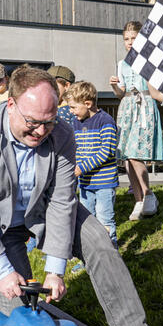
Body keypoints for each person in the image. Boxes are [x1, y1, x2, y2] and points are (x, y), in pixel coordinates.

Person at [0, 66, 151, 326]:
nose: (41, 131)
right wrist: (3, 270)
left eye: (50, 121)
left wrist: (56, 269)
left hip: (42, 209)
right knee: (22, 312)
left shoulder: (62, 134)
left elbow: (62, 200)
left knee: (98, 241)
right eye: (32, 122)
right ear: (11, 105)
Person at [111, 21, 163, 221]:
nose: (130, 43)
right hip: (127, 107)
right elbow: (120, 93)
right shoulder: (122, 64)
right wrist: (115, 86)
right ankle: (139, 198)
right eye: (126, 39)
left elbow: (156, 89)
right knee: (126, 154)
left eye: (134, 38)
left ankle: (148, 194)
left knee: (136, 153)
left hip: (144, 105)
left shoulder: (150, 61)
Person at [64, 81, 119, 246]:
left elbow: (106, 152)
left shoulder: (105, 121)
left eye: (73, 107)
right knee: (88, 221)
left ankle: (111, 254)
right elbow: (76, 149)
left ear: (87, 104)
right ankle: (91, 254)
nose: (71, 112)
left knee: (104, 220)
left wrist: (82, 167)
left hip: (104, 183)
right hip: (85, 183)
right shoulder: (76, 123)